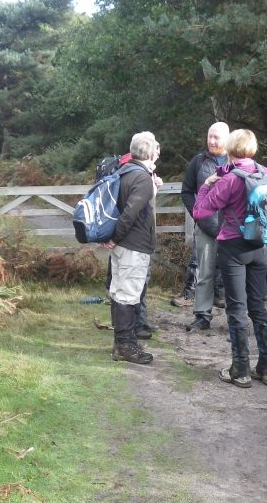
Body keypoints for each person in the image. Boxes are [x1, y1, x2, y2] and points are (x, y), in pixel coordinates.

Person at [192, 129, 267, 387]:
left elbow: (199, 211)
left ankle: (240, 369)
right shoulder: (266, 173)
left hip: (233, 248)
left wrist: (207, 186)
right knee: (258, 307)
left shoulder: (229, 180)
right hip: (261, 249)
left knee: (237, 309)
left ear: (230, 150)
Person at [105, 131, 160, 364]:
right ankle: (126, 346)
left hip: (121, 246)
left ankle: (121, 344)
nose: (158, 152)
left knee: (118, 293)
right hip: (133, 246)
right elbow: (131, 212)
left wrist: (113, 239)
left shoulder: (124, 172)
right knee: (127, 296)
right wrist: (116, 237)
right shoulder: (142, 178)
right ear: (149, 152)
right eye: (156, 148)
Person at [181, 122, 230, 331]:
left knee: (234, 275)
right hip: (206, 227)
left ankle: (235, 320)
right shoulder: (198, 161)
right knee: (204, 273)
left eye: (216, 137)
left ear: (227, 139)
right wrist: (197, 213)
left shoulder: (237, 161)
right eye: (209, 136)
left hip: (232, 229)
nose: (211, 141)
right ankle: (202, 315)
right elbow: (186, 190)